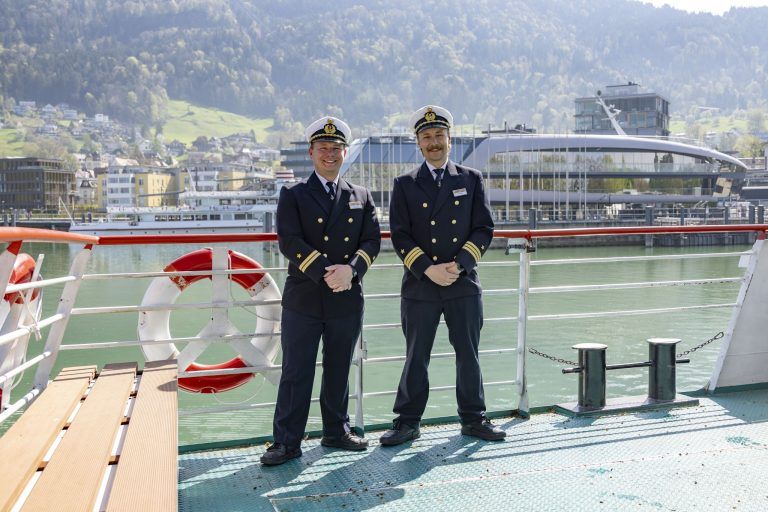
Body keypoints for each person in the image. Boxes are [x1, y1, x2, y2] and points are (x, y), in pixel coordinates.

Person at [380, 105, 505, 446]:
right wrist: (427, 268)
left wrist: (460, 264)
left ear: (450, 141)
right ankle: (407, 421)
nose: (433, 143)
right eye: (426, 137)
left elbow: (484, 229)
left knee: (468, 354)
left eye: (439, 136)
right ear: (418, 144)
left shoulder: (470, 179)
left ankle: (473, 418)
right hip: (421, 283)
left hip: (461, 281)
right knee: (416, 356)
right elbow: (400, 235)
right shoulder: (404, 184)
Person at [261, 116, 381, 465]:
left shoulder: (361, 196)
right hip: (306, 295)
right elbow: (289, 240)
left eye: (336, 148)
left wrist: (351, 270)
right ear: (312, 152)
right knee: (297, 370)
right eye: (323, 148)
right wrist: (325, 272)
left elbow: (372, 241)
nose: (330, 154)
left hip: (346, 294)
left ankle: (336, 431)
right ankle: (286, 441)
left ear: (345, 152)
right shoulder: (294, 194)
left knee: (339, 366)